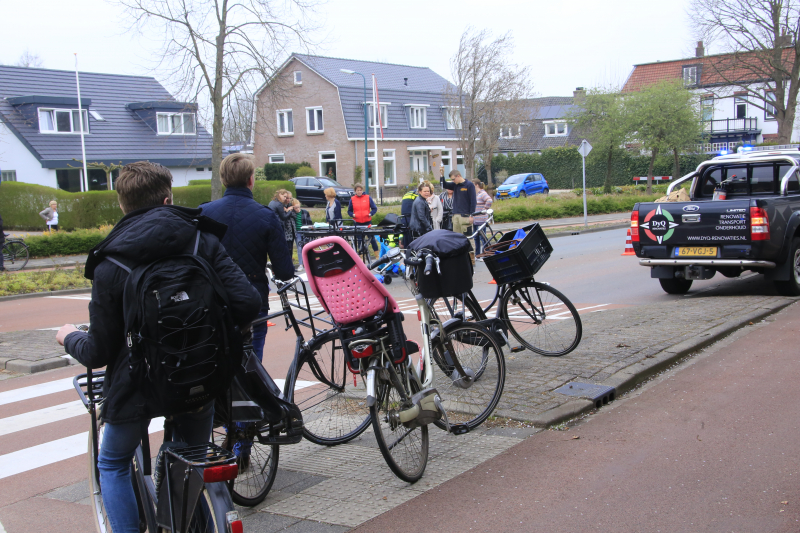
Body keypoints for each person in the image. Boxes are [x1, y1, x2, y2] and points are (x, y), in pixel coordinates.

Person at [55, 161, 261, 533]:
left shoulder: (109, 261)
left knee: (113, 463)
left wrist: (69, 336)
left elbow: (98, 352)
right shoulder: (202, 240)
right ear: (168, 199)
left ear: (122, 205)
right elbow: (248, 304)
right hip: (200, 375)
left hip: (137, 386)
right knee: (192, 451)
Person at [200, 153, 294, 361]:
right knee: (252, 359)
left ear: (223, 179)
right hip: (252, 298)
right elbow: (285, 271)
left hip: (212, 300)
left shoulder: (203, 213)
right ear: (251, 180)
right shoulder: (266, 216)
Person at [440, 169, 477, 241]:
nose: (453, 181)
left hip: (465, 215)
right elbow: (444, 185)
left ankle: (469, 249)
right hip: (455, 215)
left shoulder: (469, 185)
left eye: (453, 179)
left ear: (458, 176)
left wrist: (472, 215)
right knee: (456, 239)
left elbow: (473, 201)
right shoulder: (455, 185)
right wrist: (442, 175)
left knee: (467, 238)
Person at [347, 184, 380, 259]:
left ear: (362, 190)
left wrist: (370, 213)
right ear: (355, 191)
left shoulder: (368, 197)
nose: (359, 191)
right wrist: (353, 215)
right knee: (359, 240)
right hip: (357, 222)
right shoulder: (352, 199)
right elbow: (349, 211)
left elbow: (374, 208)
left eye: (360, 190)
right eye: (358, 190)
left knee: (372, 239)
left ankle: (377, 255)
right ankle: (361, 256)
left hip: (367, 222)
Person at [268, 189, 296, 260]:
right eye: (285, 197)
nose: (285, 199)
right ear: (280, 194)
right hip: (279, 226)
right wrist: (289, 210)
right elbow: (284, 217)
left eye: (287, 197)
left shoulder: (272, 202)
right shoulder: (279, 204)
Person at [472, 179, 494, 257]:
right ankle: (478, 254)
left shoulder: (482, 193)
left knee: (482, 237)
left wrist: (484, 209)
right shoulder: (475, 194)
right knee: (476, 237)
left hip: (481, 219)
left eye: (473, 185)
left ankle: (485, 253)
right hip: (475, 219)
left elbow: (489, 200)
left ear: (477, 185)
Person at [292, 199, 312, 270]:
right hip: (297, 232)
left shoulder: (305, 212)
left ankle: (308, 263)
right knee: (299, 248)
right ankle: (301, 264)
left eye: (298, 207)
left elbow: (309, 222)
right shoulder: (292, 214)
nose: (297, 209)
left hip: (305, 232)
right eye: (295, 208)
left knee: (306, 247)